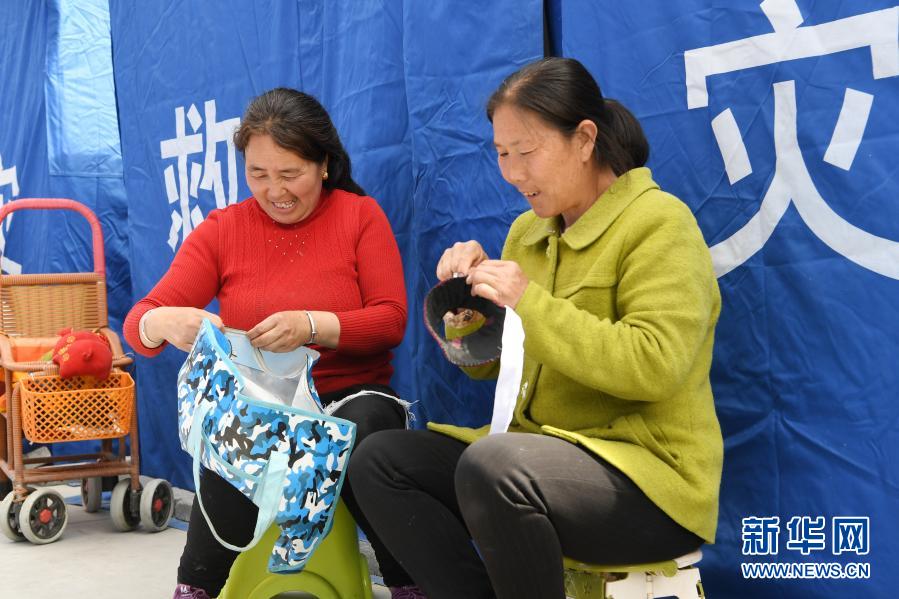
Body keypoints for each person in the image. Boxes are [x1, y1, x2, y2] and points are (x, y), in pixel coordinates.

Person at [349, 57, 724, 599]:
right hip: (531, 461)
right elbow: (501, 365)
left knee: (494, 465)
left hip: (648, 483)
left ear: (584, 139)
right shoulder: (528, 233)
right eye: (502, 154)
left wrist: (528, 300)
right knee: (380, 461)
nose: (513, 173)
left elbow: (655, 366)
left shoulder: (660, 223)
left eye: (526, 152)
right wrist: (468, 314)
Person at [123, 88, 420, 599]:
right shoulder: (224, 230)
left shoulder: (359, 217)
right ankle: (194, 589)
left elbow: (390, 321)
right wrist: (165, 322)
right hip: (262, 406)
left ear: (323, 165)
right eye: (257, 174)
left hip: (352, 397)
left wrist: (312, 326)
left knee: (369, 436)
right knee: (234, 435)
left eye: (289, 174)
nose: (274, 190)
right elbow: (138, 324)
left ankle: (409, 587)